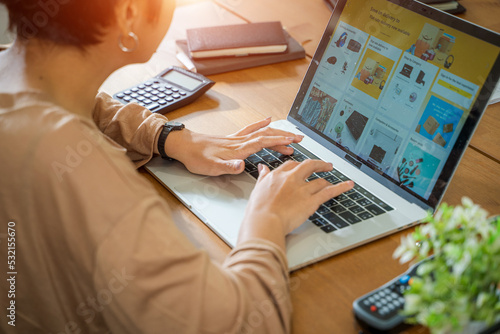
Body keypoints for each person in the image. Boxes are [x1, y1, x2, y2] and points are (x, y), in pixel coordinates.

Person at [0, 0, 353, 333]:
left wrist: (167, 136)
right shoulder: (78, 168)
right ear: (128, 13)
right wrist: (267, 218)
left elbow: (83, 106)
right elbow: (241, 325)